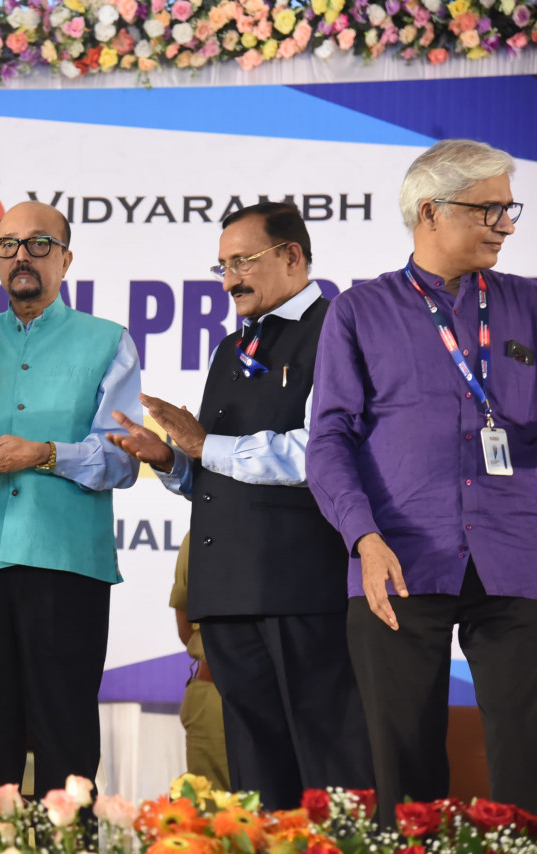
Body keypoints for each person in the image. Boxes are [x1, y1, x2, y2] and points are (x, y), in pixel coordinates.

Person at [110, 203, 371, 810]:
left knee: (328, 765)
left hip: (302, 588)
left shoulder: (339, 329)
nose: (229, 280)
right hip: (226, 594)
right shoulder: (232, 347)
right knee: (255, 771)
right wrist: (171, 460)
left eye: (243, 262)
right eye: (222, 266)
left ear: (292, 256)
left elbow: (322, 454)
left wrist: (206, 446)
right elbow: (222, 472)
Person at [306, 139, 536, 823]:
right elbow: (329, 441)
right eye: (489, 209)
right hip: (398, 559)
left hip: (517, 555)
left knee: (527, 760)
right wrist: (363, 538)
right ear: (430, 211)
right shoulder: (359, 310)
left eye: (509, 208)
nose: (506, 225)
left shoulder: (530, 305)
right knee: (404, 774)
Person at [0, 200, 142, 795]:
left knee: (66, 744)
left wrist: (43, 453)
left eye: (39, 243)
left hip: (67, 564)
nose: (22, 255)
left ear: (66, 259)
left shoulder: (107, 341)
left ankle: (64, 838)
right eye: (8, 244)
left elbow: (123, 459)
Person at [168, 533, 229, 792]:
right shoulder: (202, 532)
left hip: (284, 696)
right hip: (214, 697)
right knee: (214, 810)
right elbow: (184, 617)